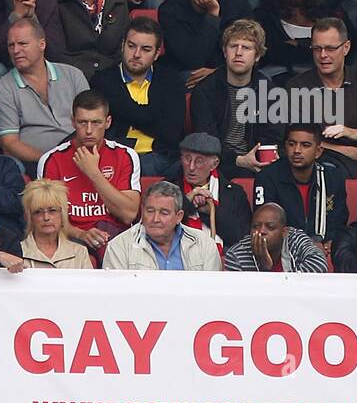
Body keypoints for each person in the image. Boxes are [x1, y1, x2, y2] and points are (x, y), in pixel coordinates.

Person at [38, 89, 143, 255]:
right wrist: (81, 234)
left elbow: (129, 214)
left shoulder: (125, 155)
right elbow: (47, 218)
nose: (88, 130)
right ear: (73, 122)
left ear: (108, 122)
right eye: (82, 122)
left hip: (116, 239)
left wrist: (94, 173)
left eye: (96, 123)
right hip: (69, 238)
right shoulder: (52, 159)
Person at [286, 18, 357, 179]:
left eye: (330, 48)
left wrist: (355, 134)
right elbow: (297, 143)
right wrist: (351, 152)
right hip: (319, 165)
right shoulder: (298, 86)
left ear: (346, 48)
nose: (323, 55)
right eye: (317, 48)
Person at [91, 16, 186, 177]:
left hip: (164, 159)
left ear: (156, 54)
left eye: (146, 49)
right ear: (122, 46)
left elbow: (172, 133)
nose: (136, 54)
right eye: (131, 46)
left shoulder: (171, 81)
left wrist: (127, 112)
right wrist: (155, 116)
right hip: (117, 157)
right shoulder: (103, 81)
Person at [0, 17, 91, 171]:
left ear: (42, 44)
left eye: (23, 44)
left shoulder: (73, 75)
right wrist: (50, 160)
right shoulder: (3, 87)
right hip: (36, 164)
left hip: (80, 157)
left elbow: (90, 122)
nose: (16, 50)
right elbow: (9, 143)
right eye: (11, 45)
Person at [189, 19, 282, 177]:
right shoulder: (205, 90)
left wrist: (256, 160)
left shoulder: (269, 93)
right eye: (233, 46)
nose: (238, 53)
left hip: (258, 164)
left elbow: (272, 138)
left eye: (246, 48)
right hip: (216, 164)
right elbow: (206, 140)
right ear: (225, 52)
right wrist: (238, 160)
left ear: (257, 55)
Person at [253, 124, 350, 247]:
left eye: (305, 145)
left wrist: (331, 241)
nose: (297, 150)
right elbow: (264, 226)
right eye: (292, 144)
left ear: (318, 151)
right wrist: (305, 245)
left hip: (324, 249)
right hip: (282, 249)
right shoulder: (267, 177)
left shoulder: (333, 177)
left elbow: (340, 220)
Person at [158, 0, 251, 78]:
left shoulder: (237, 2)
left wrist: (219, 72)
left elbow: (250, 49)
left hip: (227, 70)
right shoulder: (170, 10)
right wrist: (212, 15)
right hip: (187, 71)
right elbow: (192, 60)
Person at [102, 180, 223, 269]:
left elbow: (213, 294)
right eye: (150, 211)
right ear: (142, 210)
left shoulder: (204, 244)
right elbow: (117, 298)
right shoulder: (119, 246)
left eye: (164, 213)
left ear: (179, 216)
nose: (155, 219)